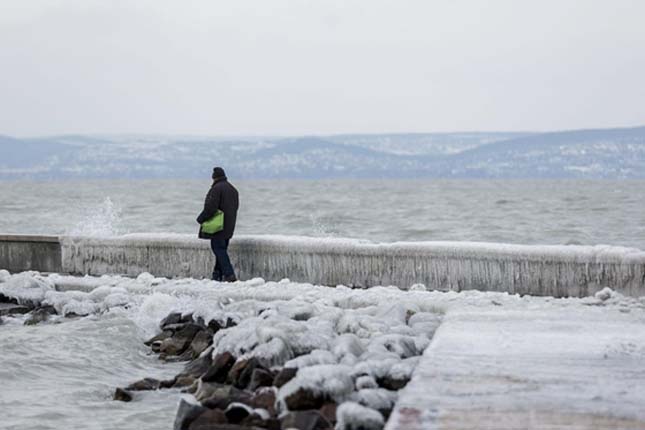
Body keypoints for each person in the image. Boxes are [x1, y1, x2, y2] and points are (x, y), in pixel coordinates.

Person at [196, 167, 239, 282]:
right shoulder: (233, 189)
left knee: (218, 249)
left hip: (218, 227)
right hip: (229, 226)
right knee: (222, 249)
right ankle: (217, 275)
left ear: (214, 177)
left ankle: (229, 275)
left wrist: (200, 219)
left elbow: (210, 208)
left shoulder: (216, 189)